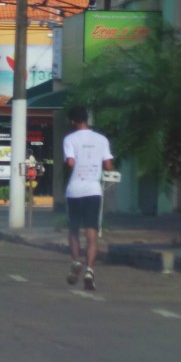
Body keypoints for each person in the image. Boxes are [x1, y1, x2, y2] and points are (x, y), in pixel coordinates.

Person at [63, 106, 114, 291]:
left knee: (74, 230)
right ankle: (90, 270)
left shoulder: (69, 139)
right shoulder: (102, 140)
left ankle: (76, 261)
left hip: (75, 190)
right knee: (92, 232)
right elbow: (108, 165)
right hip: (93, 190)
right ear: (87, 119)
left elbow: (70, 162)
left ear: (72, 122)